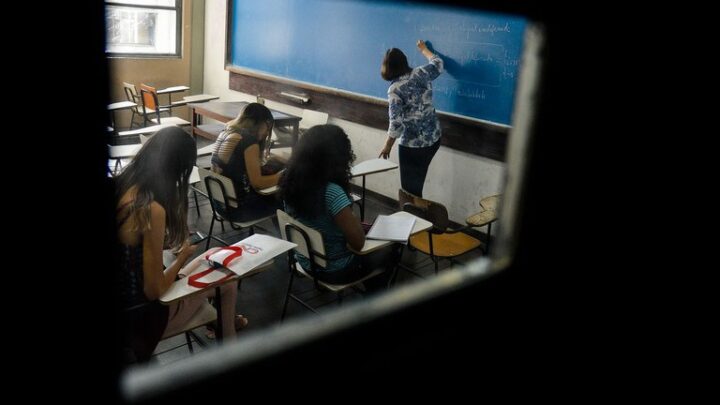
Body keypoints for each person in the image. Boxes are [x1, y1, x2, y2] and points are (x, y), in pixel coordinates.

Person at [115, 127, 245, 362]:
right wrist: (182, 256)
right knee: (227, 281)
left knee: (213, 255)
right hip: (142, 320)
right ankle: (230, 345)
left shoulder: (121, 187)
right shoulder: (150, 208)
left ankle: (221, 322)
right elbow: (154, 291)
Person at [279, 124, 400, 291]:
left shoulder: (289, 181)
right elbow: (358, 244)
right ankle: (375, 301)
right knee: (392, 250)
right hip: (336, 270)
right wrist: (354, 221)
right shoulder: (332, 192)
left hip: (306, 261)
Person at [379, 40, 444, 197]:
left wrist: (387, 146)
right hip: (434, 138)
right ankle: (419, 217)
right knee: (416, 188)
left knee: (410, 193)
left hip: (413, 146)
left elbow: (396, 123)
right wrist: (424, 50)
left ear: (388, 67)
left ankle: (416, 219)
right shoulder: (422, 72)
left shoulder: (394, 90)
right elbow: (438, 63)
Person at [211, 102, 283, 222]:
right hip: (239, 210)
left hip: (220, 204)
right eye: (268, 128)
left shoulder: (227, 132)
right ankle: (283, 239)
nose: (267, 133)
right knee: (284, 200)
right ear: (264, 123)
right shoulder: (248, 141)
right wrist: (283, 176)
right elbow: (258, 183)